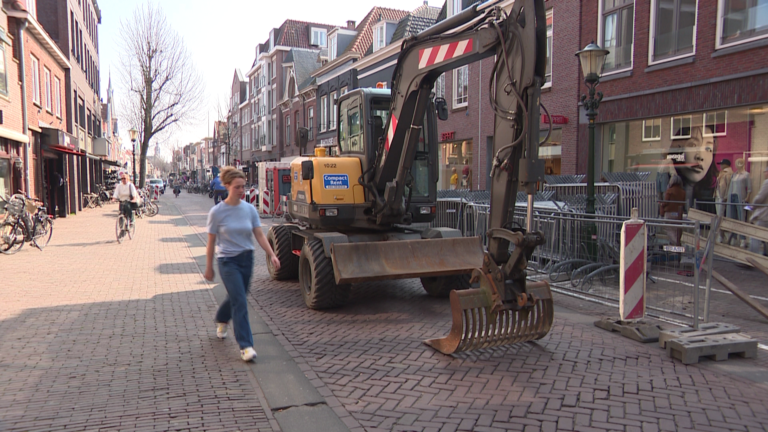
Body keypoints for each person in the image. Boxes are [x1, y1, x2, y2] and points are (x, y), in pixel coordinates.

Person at [205, 167, 281, 362]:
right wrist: (209, 267)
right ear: (227, 186)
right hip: (227, 261)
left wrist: (272, 254)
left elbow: (259, 234)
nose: (242, 191)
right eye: (238, 187)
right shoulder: (217, 212)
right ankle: (246, 346)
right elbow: (211, 241)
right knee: (240, 300)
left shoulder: (249, 209)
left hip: (247, 259)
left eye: (243, 187)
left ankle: (222, 319)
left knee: (236, 297)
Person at [667, 125, 718, 214]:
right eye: (693, 145)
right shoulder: (671, 185)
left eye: (708, 149)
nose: (700, 156)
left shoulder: (708, 197)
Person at [748, 166, 768, 256]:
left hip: (764, 213)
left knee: (755, 235)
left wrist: (752, 206)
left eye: (765, 171)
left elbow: (760, 197)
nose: (764, 173)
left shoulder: (767, 182)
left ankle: (751, 259)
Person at [661, 175, 686, 246]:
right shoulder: (683, 192)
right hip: (678, 214)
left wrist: (661, 205)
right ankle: (675, 243)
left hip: (669, 213)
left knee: (667, 227)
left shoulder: (669, 191)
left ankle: (675, 242)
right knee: (676, 230)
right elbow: (683, 203)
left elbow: (665, 202)